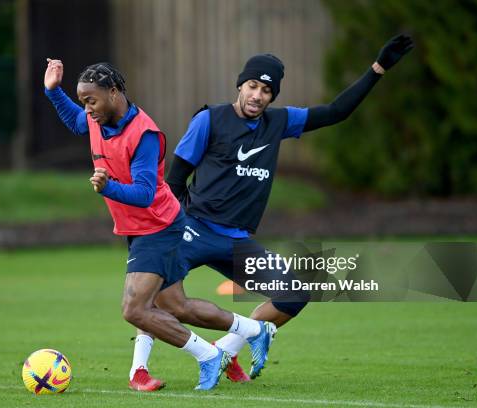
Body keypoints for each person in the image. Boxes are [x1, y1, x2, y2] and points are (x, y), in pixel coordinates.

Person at [133, 34, 414, 383]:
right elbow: (174, 181)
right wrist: (162, 231)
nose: (257, 95)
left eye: (266, 91)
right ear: (240, 85)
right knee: (154, 295)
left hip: (237, 241)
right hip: (193, 228)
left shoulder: (279, 122)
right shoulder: (209, 121)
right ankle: (139, 371)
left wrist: (378, 68)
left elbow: (336, 112)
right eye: (252, 86)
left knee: (294, 294)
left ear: (273, 96)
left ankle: (225, 352)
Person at [44, 59, 274, 391]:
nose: (87, 109)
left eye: (91, 100)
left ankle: (208, 356)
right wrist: (53, 91)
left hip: (158, 226)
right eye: (84, 101)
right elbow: (77, 122)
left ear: (113, 92)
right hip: (138, 229)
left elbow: (144, 193)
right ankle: (254, 330)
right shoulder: (97, 118)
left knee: (134, 309)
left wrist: (107, 186)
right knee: (176, 306)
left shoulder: (144, 134)